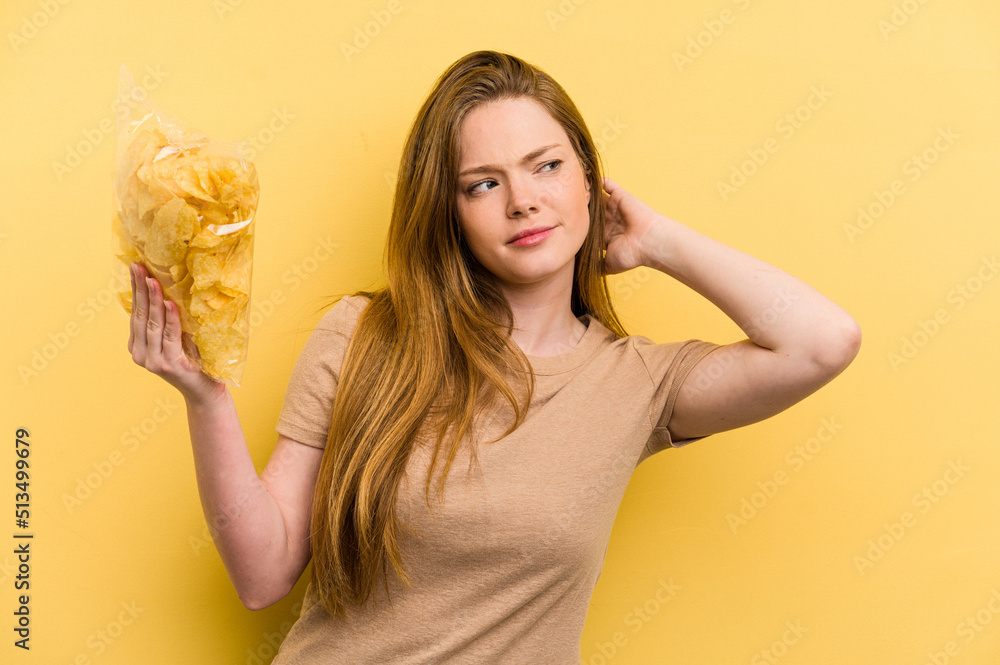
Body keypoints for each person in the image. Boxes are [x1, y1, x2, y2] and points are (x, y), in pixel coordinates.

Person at [126, 50, 861, 664]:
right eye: (484, 183)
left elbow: (823, 341)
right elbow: (262, 574)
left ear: (588, 179)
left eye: (546, 167)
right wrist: (206, 397)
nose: (522, 201)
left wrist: (655, 240)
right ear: (449, 212)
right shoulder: (364, 335)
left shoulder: (639, 384)